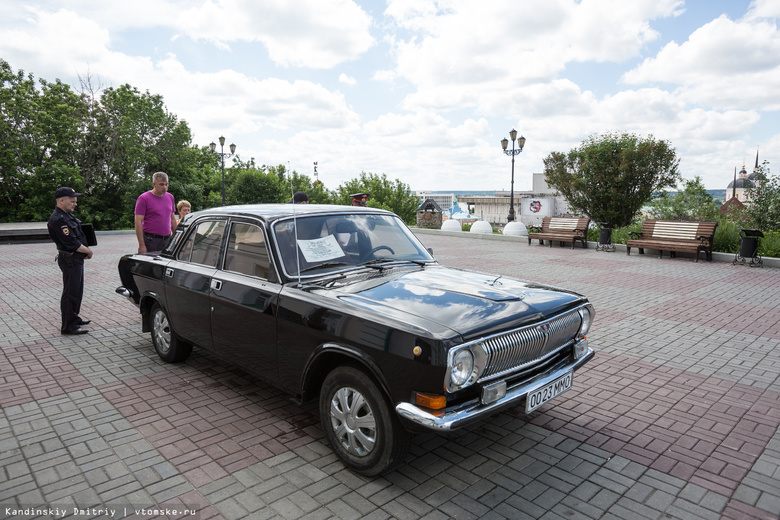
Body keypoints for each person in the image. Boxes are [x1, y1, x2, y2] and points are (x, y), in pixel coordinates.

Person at [47, 187, 93, 335]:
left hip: (75, 258)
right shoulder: (59, 219)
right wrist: (88, 251)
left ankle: (74, 317)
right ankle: (68, 326)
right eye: (72, 201)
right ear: (62, 201)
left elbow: (78, 236)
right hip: (70, 260)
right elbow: (71, 242)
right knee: (70, 294)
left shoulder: (67, 216)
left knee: (77, 291)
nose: (75, 204)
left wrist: (84, 250)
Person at [135, 171, 177, 253]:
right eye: (161, 184)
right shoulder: (144, 198)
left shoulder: (170, 197)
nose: (164, 187)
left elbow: (172, 220)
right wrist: (141, 245)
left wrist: (176, 239)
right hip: (151, 240)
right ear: (154, 184)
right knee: (150, 265)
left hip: (167, 239)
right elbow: (138, 222)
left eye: (166, 184)